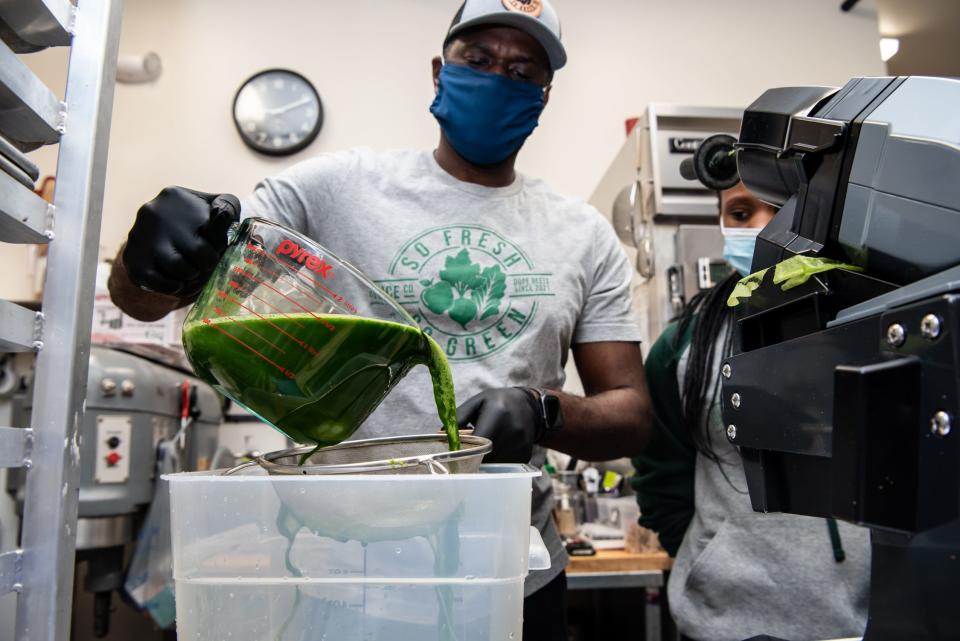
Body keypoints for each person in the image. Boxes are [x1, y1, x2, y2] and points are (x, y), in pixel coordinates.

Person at [108, 2, 652, 639]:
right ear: (438, 72)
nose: (498, 78)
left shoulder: (581, 234)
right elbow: (150, 298)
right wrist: (149, 258)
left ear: (543, 96)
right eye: (477, 61)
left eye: (521, 70)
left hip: (508, 571)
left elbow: (632, 415)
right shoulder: (333, 189)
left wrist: (545, 409)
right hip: (336, 573)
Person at [630, 178, 870, 641]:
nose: (762, 228)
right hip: (720, 622)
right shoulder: (683, 347)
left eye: (781, 209)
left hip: (860, 620)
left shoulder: (873, 324)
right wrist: (709, 558)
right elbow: (660, 474)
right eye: (740, 214)